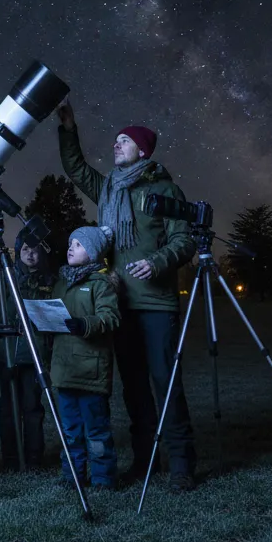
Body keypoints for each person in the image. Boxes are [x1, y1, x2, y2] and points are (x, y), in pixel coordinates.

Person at [57, 101, 198, 490]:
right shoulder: (108, 189)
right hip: (118, 305)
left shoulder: (165, 189)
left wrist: (157, 262)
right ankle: (145, 459)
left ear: (144, 150)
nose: (116, 145)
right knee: (133, 386)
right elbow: (75, 168)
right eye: (116, 140)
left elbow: (184, 240)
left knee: (164, 382)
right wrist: (69, 129)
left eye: (125, 141)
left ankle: (183, 464)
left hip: (155, 303)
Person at [0, 233, 55, 471]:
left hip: (33, 352)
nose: (30, 254)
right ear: (17, 251)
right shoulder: (6, 274)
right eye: (26, 249)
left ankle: (33, 458)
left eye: (35, 249)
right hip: (8, 350)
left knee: (32, 407)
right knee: (8, 408)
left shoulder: (47, 279)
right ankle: (10, 458)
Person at [51, 225, 121, 490]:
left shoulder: (100, 284)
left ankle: (103, 477)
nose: (71, 248)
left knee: (96, 431)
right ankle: (73, 476)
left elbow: (111, 317)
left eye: (78, 244)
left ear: (93, 252)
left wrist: (86, 324)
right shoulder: (61, 284)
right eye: (70, 243)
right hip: (65, 370)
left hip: (91, 370)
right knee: (70, 430)